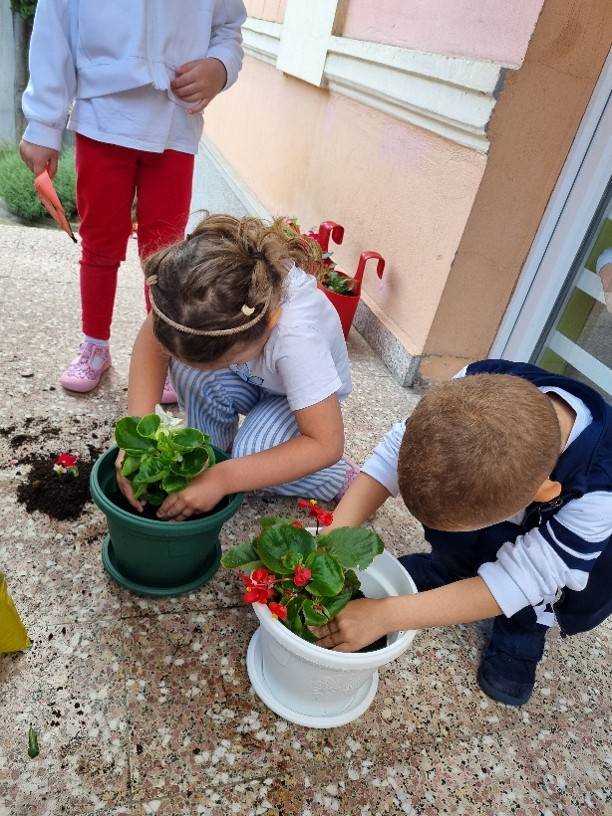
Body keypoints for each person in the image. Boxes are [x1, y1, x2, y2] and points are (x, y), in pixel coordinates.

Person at [314, 360, 612, 706]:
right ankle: (447, 569)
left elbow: (526, 576)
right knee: (457, 540)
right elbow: (393, 453)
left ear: (544, 493)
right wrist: (329, 543)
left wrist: (386, 614)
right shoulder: (469, 388)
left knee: (533, 593)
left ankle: (522, 629)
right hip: (507, 498)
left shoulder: (598, 494)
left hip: (564, 552)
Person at [19, 0, 246, 398]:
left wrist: (220, 67)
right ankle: (94, 344)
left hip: (175, 124)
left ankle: (162, 351)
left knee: (167, 253)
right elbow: (54, 27)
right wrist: (43, 121)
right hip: (102, 117)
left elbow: (228, 27)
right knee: (99, 243)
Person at [117, 214, 356, 518]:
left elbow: (325, 443)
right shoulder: (196, 295)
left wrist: (225, 479)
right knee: (192, 373)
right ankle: (215, 456)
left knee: (254, 451)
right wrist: (138, 438)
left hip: (301, 404)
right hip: (252, 377)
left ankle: (335, 478)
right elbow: (152, 342)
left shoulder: (296, 337)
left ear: (270, 322)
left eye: (225, 359)